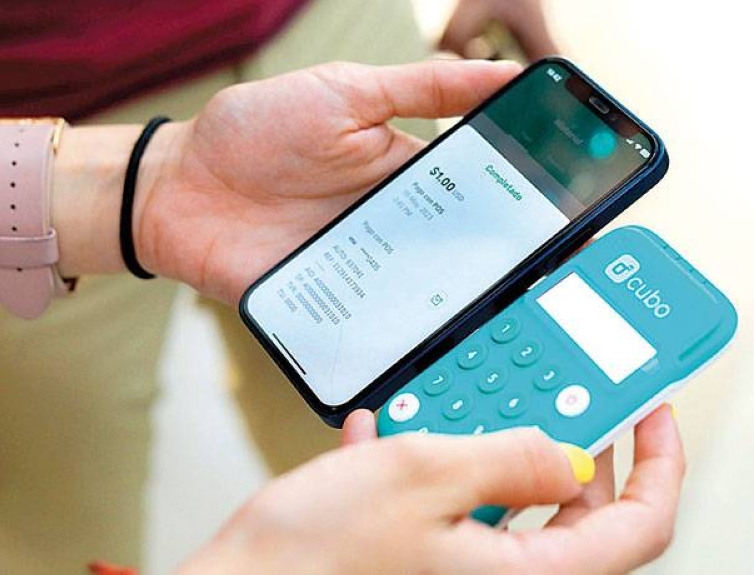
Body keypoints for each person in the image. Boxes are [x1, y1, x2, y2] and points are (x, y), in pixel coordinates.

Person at [4, 57, 686, 573]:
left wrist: (154, 180)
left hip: (303, 21)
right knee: (59, 516)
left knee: (387, 423)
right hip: (59, 79)